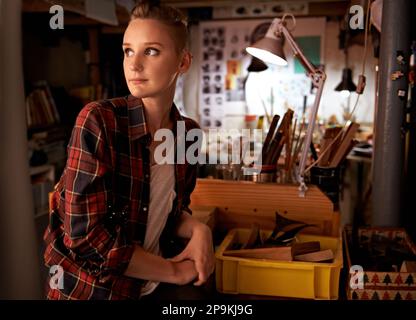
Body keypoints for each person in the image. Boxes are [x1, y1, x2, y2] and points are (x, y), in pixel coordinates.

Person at [44, 1, 215, 300]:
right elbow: (85, 236)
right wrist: (173, 271)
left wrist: (199, 230)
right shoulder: (98, 120)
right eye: (128, 50)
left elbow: (171, 213)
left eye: (151, 51)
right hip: (93, 292)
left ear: (183, 63)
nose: (134, 64)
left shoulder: (188, 133)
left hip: (149, 289)